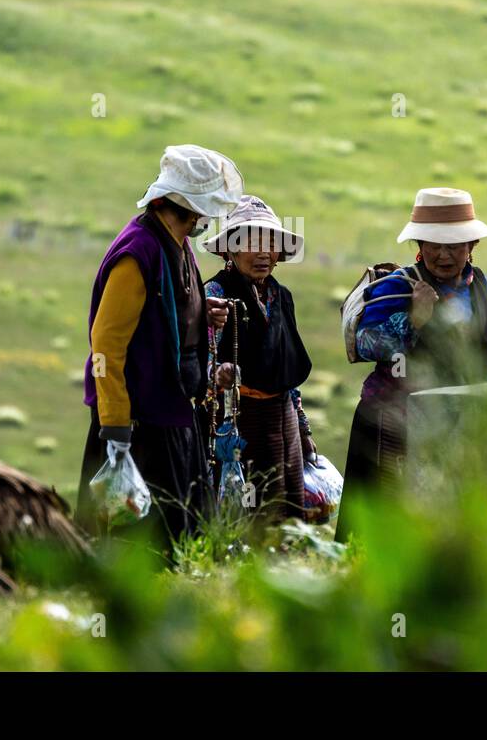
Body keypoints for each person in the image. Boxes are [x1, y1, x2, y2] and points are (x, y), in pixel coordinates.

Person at [76, 144, 242, 558]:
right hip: (138, 423)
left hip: (171, 413)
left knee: (178, 539)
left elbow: (169, 313)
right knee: (137, 547)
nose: (205, 219)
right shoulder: (138, 253)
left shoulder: (177, 244)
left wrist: (204, 312)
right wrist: (115, 428)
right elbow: (106, 344)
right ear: (187, 206)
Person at [335, 187, 487, 542]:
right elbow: (365, 344)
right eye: (434, 245)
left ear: (472, 246)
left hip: (455, 418)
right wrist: (415, 319)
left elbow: (486, 346)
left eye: (455, 245)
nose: (444, 255)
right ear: (419, 246)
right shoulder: (398, 287)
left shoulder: (479, 285)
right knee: (386, 516)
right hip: (393, 419)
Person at [202, 195, 314, 522]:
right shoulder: (216, 295)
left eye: (270, 243)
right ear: (229, 251)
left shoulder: (281, 296)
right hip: (239, 419)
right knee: (248, 513)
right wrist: (217, 373)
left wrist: (304, 429)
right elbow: (201, 357)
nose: (263, 252)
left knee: (290, 513)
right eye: (251, 242)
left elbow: (287, 371)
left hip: (284, 420)